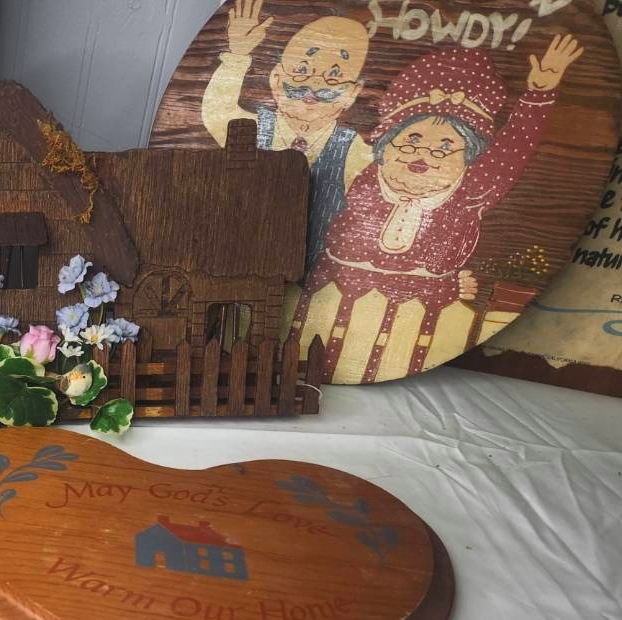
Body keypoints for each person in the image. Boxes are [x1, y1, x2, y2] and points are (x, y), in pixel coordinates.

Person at [293, 36, 583, 383]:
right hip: (326, 300)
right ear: (386, 144)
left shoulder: (469, 193)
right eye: (411, 140)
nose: (424, 155)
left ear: (469, 159)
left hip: (419, 319)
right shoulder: (360, 173)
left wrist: (537, 96)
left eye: (445, 147)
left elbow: (512, 148)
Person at [202, 0, 373, 272]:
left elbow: (376, 201)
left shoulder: (352, 149)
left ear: (352, 93)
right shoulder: (255, 128)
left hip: (314, 274)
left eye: (334, 77)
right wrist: (237, 56)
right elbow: (217, 114)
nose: (314, 85)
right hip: (244, 261)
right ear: (276, 78)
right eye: (302, 70)